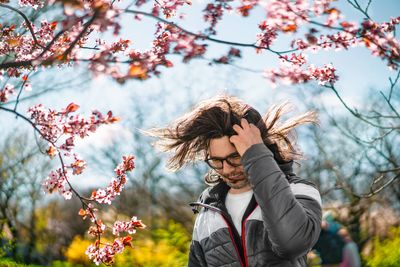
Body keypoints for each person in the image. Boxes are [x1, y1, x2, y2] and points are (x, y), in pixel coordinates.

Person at [148, 95, 322, 266]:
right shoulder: (208, 211)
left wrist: (256, 154)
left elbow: (292, 244)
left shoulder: (300, 190)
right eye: (216, 160)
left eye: (235, 157)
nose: (227, 169)